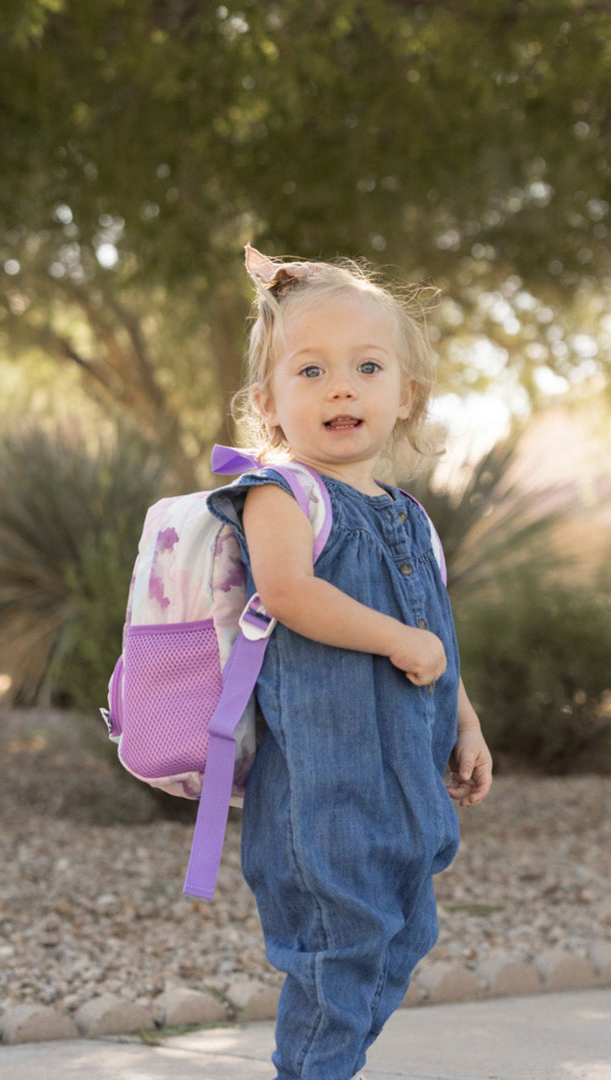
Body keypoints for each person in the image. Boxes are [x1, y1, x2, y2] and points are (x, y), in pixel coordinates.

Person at [207, 245, 493, 1080]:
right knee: (338, 956)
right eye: (312, 370)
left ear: (405, 394)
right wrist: (401, 643)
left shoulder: (409, 517)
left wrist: (465, 723)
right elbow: (290, 592)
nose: (342, 387)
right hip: (324, 790)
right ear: (268, 402)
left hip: (404, 787)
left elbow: (433, 629)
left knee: (402, 938)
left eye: (367, 367)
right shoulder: (280, 493)